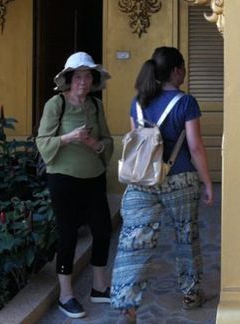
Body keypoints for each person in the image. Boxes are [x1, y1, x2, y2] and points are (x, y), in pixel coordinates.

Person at [111, 46, 214, 323]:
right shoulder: (186, 102)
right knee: (186, 236)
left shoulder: (138, 102)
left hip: (142, 181)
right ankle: (191, 294)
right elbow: (195, 147)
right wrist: (207, 182)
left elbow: (136, 143)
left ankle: (127, 307)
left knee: (133, 241)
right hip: (180, 179)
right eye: (183, 68)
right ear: (176, 71)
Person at [36, 52, 114, 319]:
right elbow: (43, 141)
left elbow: (107, 140)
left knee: (103, 230)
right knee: (67, 233)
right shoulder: (55, 104)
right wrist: (69, 137)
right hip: (63, 179)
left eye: (88, 76)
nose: (83, 81)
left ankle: (99, 286)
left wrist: (97, 145)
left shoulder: (95, 105)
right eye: (78, 76)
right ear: (69, 79)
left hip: (94, 176)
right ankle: (66, 294)